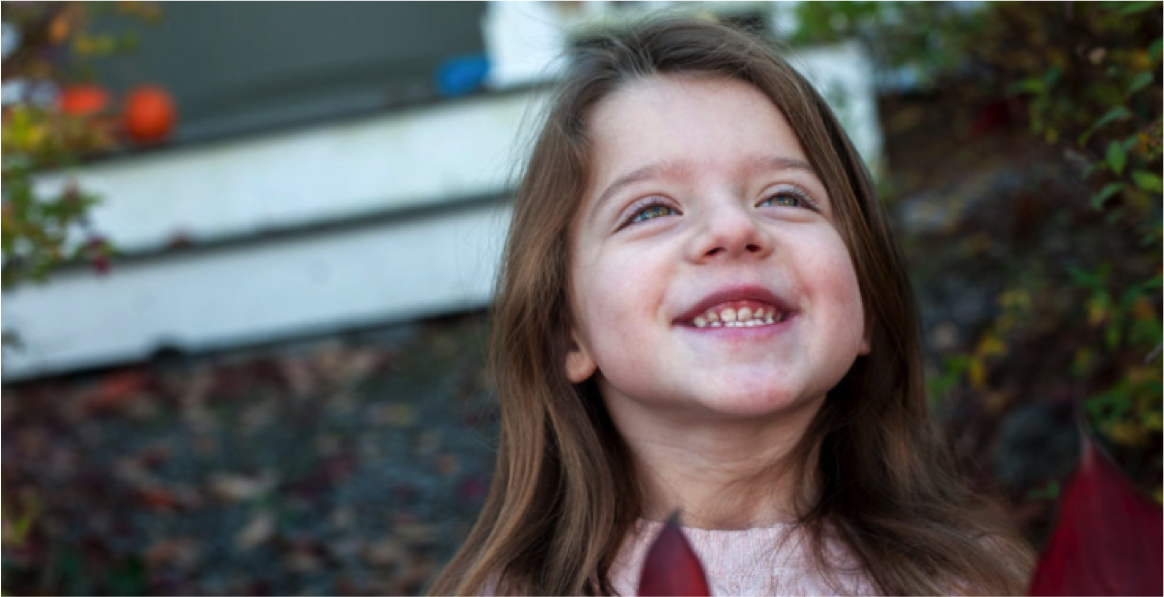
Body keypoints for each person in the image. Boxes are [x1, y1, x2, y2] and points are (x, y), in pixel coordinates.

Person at [425, 16, 1034, 597]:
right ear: (568, 334)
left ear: (866, 303)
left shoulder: (979, 582)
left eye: (786, 197)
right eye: (652, 210)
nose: (734, 227)